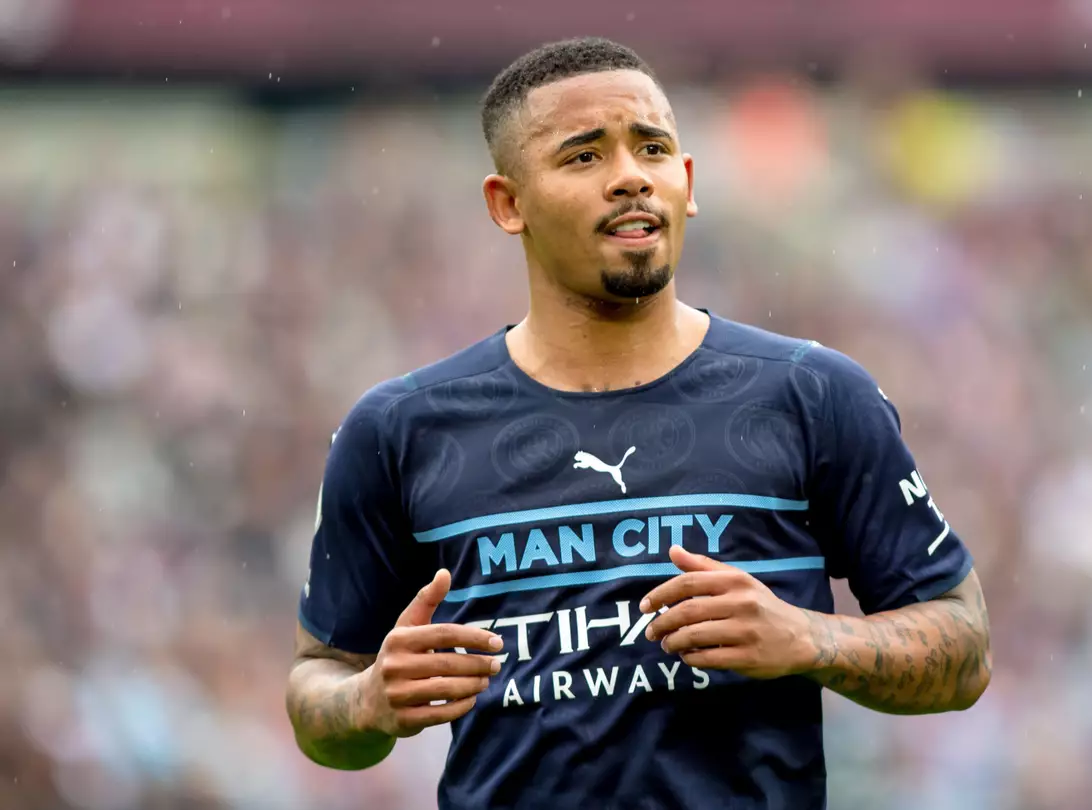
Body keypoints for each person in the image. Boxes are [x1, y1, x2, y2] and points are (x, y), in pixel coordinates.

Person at [284, 36, 991, 810]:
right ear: (507, 203)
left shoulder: (812, 395)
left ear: (685, 182)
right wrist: (367, 701)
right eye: (584, 157)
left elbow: (963, 651)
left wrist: (809, 640)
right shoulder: (400, 429)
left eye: (651, 149)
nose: (629, 177)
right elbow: (318, 688)